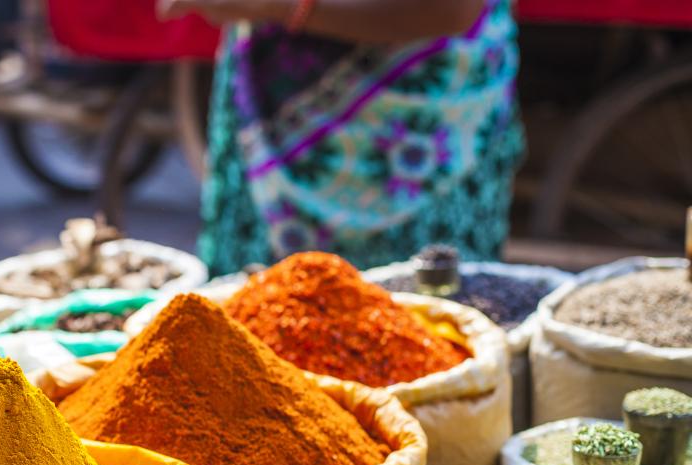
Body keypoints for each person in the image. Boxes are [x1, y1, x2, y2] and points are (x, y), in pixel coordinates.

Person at [162, 0, 524, 274]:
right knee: (246, 333)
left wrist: (280, 5)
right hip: (265, 109)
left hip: (415, 124)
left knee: (415, 335)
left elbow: (449, 9)